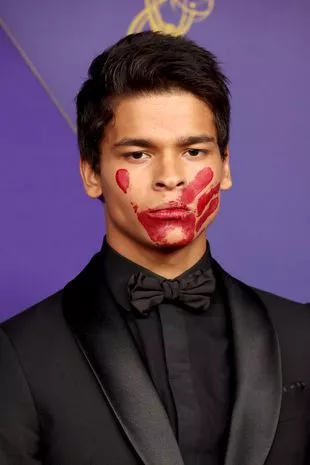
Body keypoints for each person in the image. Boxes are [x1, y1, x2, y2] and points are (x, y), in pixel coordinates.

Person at [0, 31, 309, 465]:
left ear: (225, 167)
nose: (171, 178)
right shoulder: (16, 355)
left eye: (194, 151)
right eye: (139, 154)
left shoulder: (302, 333)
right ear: (92, 173)